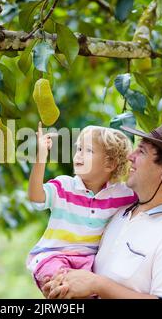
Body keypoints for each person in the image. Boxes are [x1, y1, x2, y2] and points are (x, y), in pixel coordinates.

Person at [42, 117, 162, 299]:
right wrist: (61, 287)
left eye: (142, 151)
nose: (130, 156)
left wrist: (97, 284)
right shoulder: (119, 210)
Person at [27, 122, 138, 292]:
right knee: (62, 283)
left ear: (110, 164)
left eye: (88, 151)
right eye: (78, 149)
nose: (78, 155)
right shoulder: (64, 186)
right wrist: (41, 157)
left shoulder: (120, 194)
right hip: (53, 257)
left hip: (87, 263)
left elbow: (151, 197)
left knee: (87, 291)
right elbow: (36, 196)